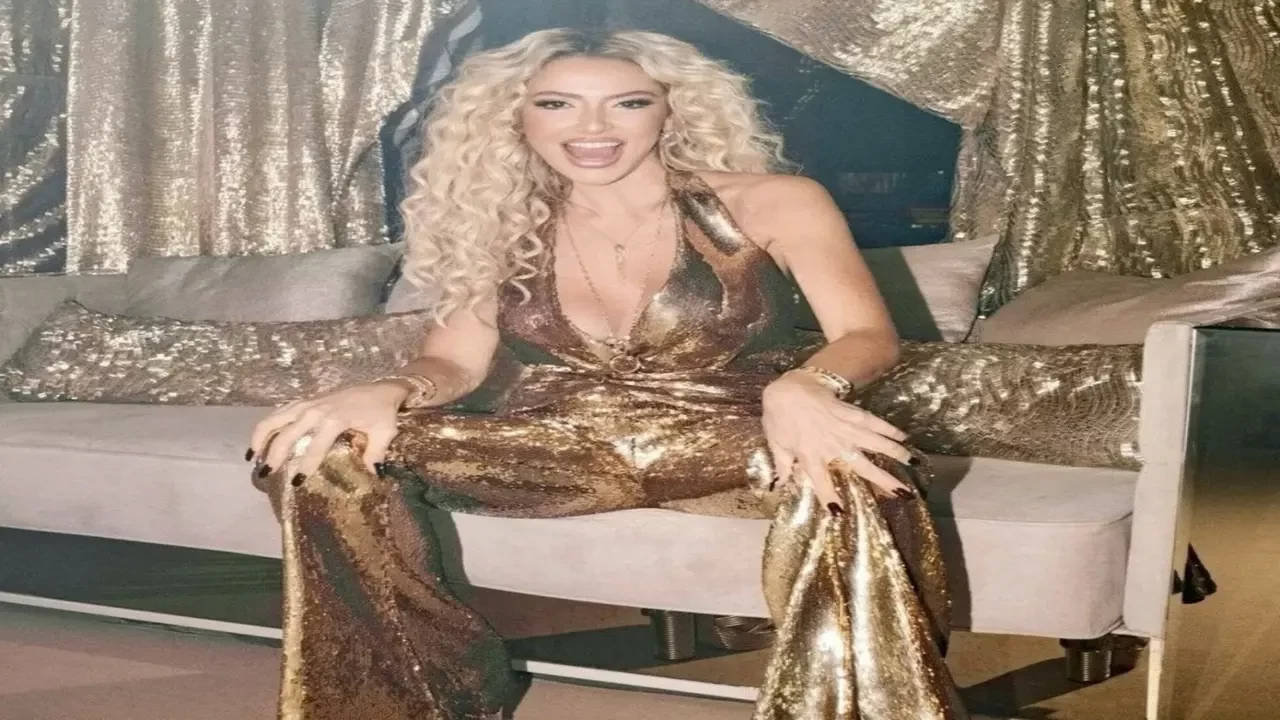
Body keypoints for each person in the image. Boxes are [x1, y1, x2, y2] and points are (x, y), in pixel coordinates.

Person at [248, 28, 967, 720]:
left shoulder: (773, 200)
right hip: (561, 439)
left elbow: (867, 336)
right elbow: (456, 360)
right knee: (325, 454)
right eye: (557, 103)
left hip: (732, 434)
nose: (592, 127)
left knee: (854, 468)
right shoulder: (500, 221)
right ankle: (415, 702)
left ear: (668, 111)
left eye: (627, 102)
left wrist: (808, 386)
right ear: (517, 117)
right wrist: (390, 388)